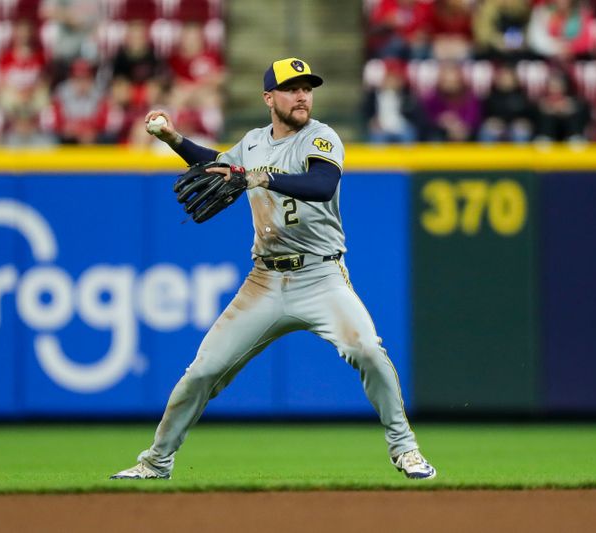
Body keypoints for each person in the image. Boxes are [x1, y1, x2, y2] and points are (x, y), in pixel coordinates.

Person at [110, 57, 436, 481]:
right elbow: (220, 168)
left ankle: (406, 450)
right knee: (204, 371)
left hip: (321, 277)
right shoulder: (253, 142)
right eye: (291, 88)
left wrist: (260, 178)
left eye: (307, 87)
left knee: (368, 351)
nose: (302, 95)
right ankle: (155, 462)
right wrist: (174, 138)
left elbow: (322, 185)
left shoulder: (322, 137)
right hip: (263, 281)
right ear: (269, 98)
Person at [420, 61, 481, 141]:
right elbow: (428, 118)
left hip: (465, 132)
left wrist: (459, 126)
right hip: (440, 133)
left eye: (453, 80)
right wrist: (443, 121)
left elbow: (474, 117)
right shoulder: (432, 96)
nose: (450, 82)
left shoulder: (470, 96)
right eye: (447, 80)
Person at [477, 62, 535, 143]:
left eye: (508, 77)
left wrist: (523, 122)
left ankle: (519, 155)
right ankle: (487, 155)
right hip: (496, 127)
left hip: (516, 128)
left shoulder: (522, 96)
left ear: (515, 79)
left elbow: (529, 117)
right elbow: (484, 115)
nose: (506, 80)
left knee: (521, 131)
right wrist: (492, 121)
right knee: (488, 130)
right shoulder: (491, 96)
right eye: (503, 77)